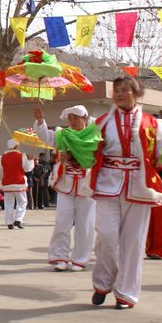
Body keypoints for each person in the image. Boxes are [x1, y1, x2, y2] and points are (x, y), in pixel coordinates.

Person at [90, 75, 162, 310]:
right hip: (107, 183)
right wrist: (71, 153)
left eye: (125, 90)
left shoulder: (153, 123)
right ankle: (102, 282)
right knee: (106, 236)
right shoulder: (101, 122)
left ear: (136, 92)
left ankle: (126, 293)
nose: (120, 94)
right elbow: (88, 151)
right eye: (116, 90)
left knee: (133, 242)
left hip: (140, 186)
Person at [34, 106, 96, 272]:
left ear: (85, 118)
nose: (73, 121)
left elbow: (97, 156)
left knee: (85, 224)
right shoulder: (62, 135)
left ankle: (80, 259)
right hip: (65, 183)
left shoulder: (94, 135)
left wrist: (75, 156)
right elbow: (46, 136)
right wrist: (40, 121)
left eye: (76, 118)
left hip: (87, 185)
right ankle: (59, 257)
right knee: (62, 222)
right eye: (70, 118)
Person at [0, 139, 33, 229]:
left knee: (8, 204)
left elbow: (1, 172)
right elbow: (27, 169)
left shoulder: (2, 157)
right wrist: (31, 161)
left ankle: (9, 222)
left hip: (7, 183)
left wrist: (1, 182)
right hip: (19, 182)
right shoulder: (21, 155)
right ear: (16, 146)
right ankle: (18, 219)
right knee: (22, 202)